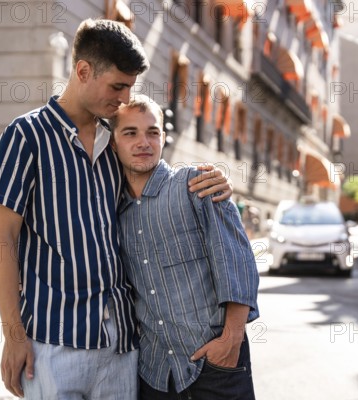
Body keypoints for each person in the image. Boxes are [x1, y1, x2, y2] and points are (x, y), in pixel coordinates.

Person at [0, 19, 232, 399]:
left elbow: (156, 179)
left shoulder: (114, 139)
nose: (125, 97)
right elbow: (2, 240)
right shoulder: (26, 135)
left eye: (130, 87)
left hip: (122, 347)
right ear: (83, 71)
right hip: (54, 342)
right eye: (118, 86)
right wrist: (13, 336)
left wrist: (213, 180)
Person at [111, 95, 259, 400]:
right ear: (113, 143)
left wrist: (231, 341)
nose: (143, 142)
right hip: (156, 373)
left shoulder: (196, 185)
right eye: (130, 133)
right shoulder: (114, 212)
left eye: (152, 132)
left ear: (164, 138)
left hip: (215, 367)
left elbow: (238, 264)